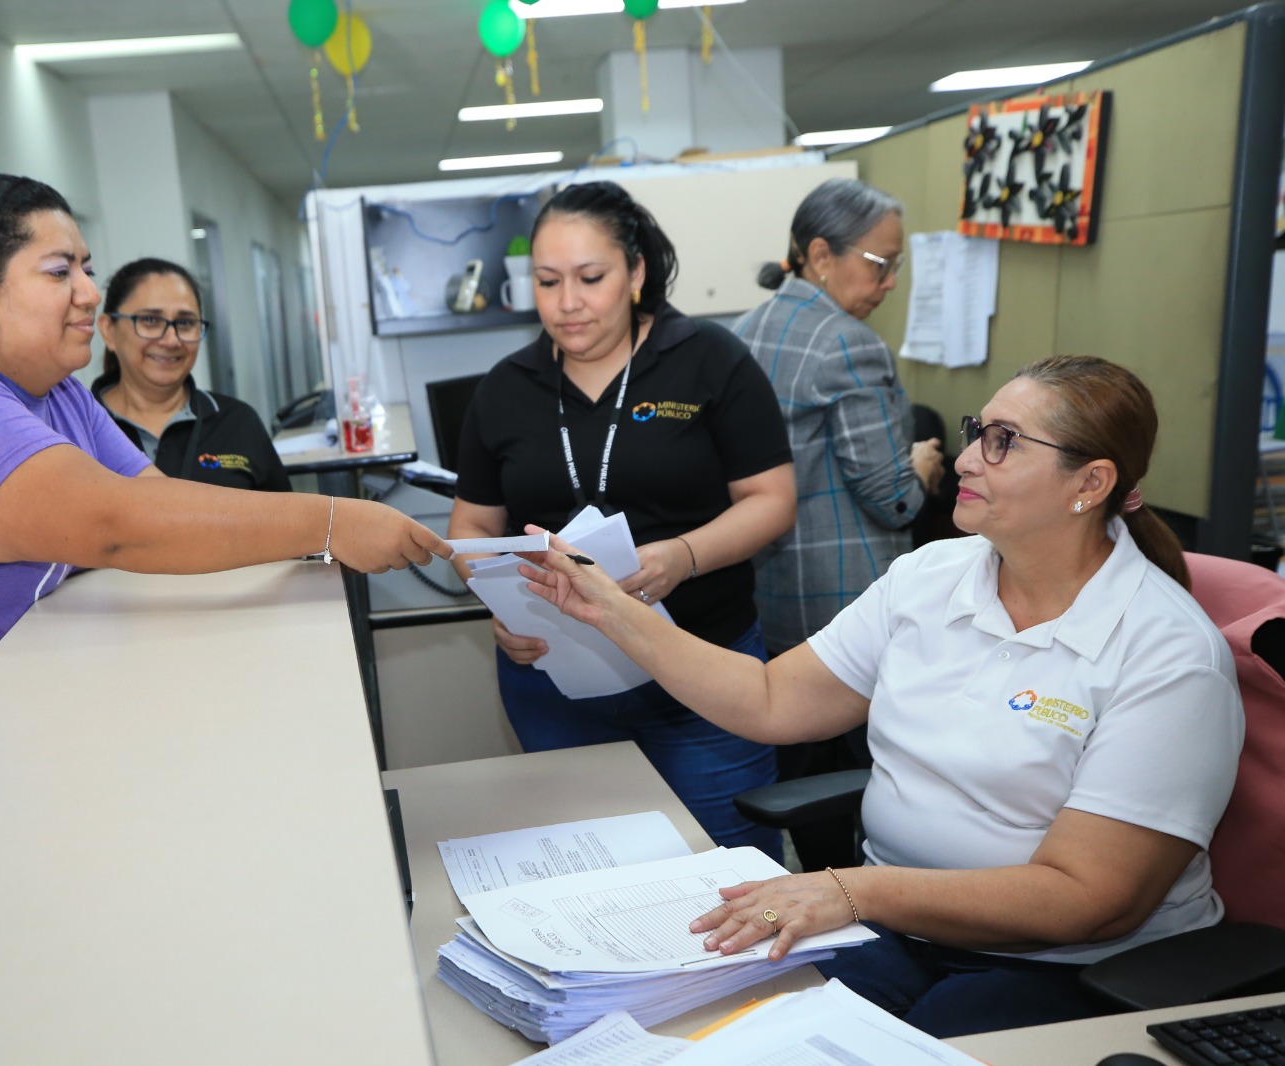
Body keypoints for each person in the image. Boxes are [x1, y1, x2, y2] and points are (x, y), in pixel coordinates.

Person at [518, 355, 1243, 1038]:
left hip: (1069, 965)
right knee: (704, 1022)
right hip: (896, 930)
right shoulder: (931, 577)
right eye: (976, 433)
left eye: (1003, 442)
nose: (964, 459)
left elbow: (1087, 900)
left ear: (1089, 483)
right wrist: (614, 612)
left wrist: (856, 891)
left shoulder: (1168, 655)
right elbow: (771, 699)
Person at [0, 173, 447, 859]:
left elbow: (162, 501)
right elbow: (119, 526)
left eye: (86, 267)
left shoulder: (58, 397)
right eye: (59, 272)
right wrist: (333, 522)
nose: (88, 291)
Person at [448, 181, 798, 861]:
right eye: (547, 282)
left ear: (636, 273)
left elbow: (771, 498)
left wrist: (682, 557)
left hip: (702, 673)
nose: (567, 302)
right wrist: (501, 599)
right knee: (591, 873)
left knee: (730, 870)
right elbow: (473, 523)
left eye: (590, 278)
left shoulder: (708, 359)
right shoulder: (506, 388)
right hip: (557, 678)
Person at [733, 177, 946, 871]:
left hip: (773, 599)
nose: (890, 283)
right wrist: (920, 465)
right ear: (820, 255)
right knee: (886, 788)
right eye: (880, 264)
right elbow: (892, 499)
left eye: (897, 266)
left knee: (804, 779)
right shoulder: (850, 345)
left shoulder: (743, 332)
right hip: (853, 605)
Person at [93, 258, 290, 491]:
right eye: (150, 320)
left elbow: (283, 512)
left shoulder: (239, 423)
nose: (171, 341)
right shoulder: (76, 427)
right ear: (108, 330)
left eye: (185, 323)